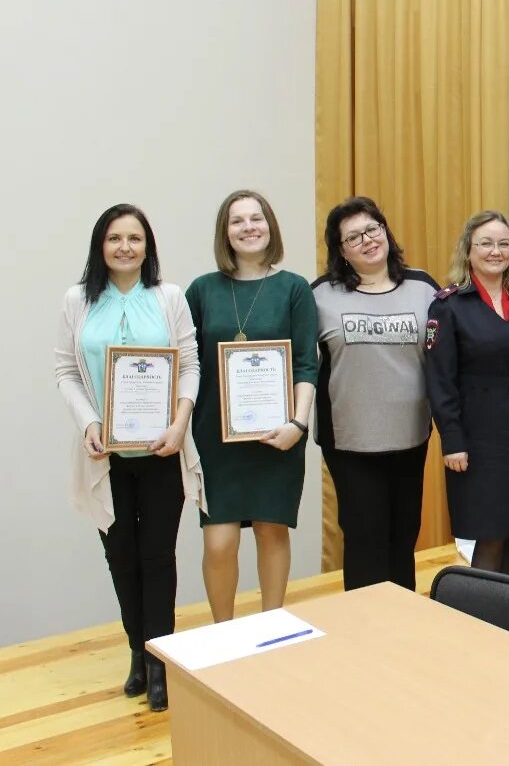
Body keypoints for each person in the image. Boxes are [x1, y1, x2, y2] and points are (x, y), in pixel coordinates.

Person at [54, 204, 203, 712]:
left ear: (148, 246)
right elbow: (66, 373)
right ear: (101, 245)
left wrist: (180, 423)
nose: (125, 247)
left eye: (134, 238)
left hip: (162, 449)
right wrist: (89, 424)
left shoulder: (169, 297)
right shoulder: (78, 301)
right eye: (115, 238)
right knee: (121, 559)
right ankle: (137, 656)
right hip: (104, 455)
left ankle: (162, 661)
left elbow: (191, 365)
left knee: (158, 558)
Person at [186, 190, 318, 622]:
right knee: (219, 542)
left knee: (271, 530)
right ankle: (223, 633)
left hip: (278, 435)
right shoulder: (203, 290)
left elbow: (306, 362)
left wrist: (298, 423)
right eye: (237, 221)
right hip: (216, 438)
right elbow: (187, 364)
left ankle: (270, 628)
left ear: (270, 226)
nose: (248, 228)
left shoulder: (294, 288)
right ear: (225, 233)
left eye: (256, 218)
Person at [312, 197, 439, 591]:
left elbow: (446, 354)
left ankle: (400, 636)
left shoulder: (424, 287)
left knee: (403, 538)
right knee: (365, 540)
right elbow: (297, 361)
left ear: (385, 231)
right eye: (353, 237)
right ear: (341, 251)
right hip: (350, 442)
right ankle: (363, 638)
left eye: (373, 229)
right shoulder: (320, 295)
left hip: (410, 437)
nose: (367, 240)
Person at [425, 211, 509, 573]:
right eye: (486, 243)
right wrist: (452, 440)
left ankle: (498, 613)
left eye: (503, 243)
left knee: (506, 530)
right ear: (468, 250)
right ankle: (479, 619)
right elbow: (439, 379)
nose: (496, 251)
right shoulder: (447, 305)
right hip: (474, 438)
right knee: (488, 531)